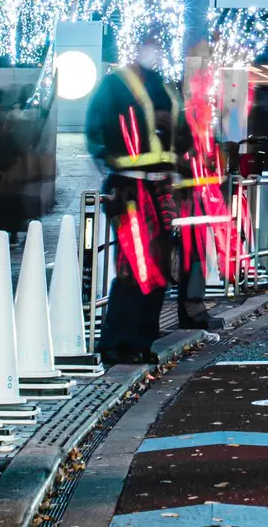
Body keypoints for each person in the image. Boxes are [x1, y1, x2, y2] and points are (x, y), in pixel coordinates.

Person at [84, 26, 220, 363]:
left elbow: (184, 134)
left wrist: (185, 164)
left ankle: (142, 340)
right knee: (135, 265)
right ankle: (117, 343)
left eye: (157, 45)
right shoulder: (115, 85)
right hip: (128, 185)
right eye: (149, 44)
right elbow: (98, 132)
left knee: (158, 268)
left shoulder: (165, 88)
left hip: (159, 185)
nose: (154, 51)